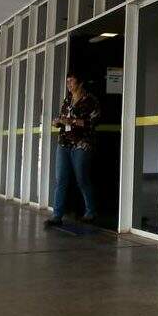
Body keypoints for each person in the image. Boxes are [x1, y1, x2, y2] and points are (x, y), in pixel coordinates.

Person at [45, 73, 100, 227]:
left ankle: (90, 211)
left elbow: (93, 122)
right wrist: (58, 121)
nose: (69, 84)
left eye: (72, 81)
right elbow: (63, 117)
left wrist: (72, 121)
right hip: (64, 143)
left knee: (81, 178)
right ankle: (57, 215)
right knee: (60, 179)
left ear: (80, 83)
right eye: (67, 81)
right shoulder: (67, 100)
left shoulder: (90, 100)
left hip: (81, 144)